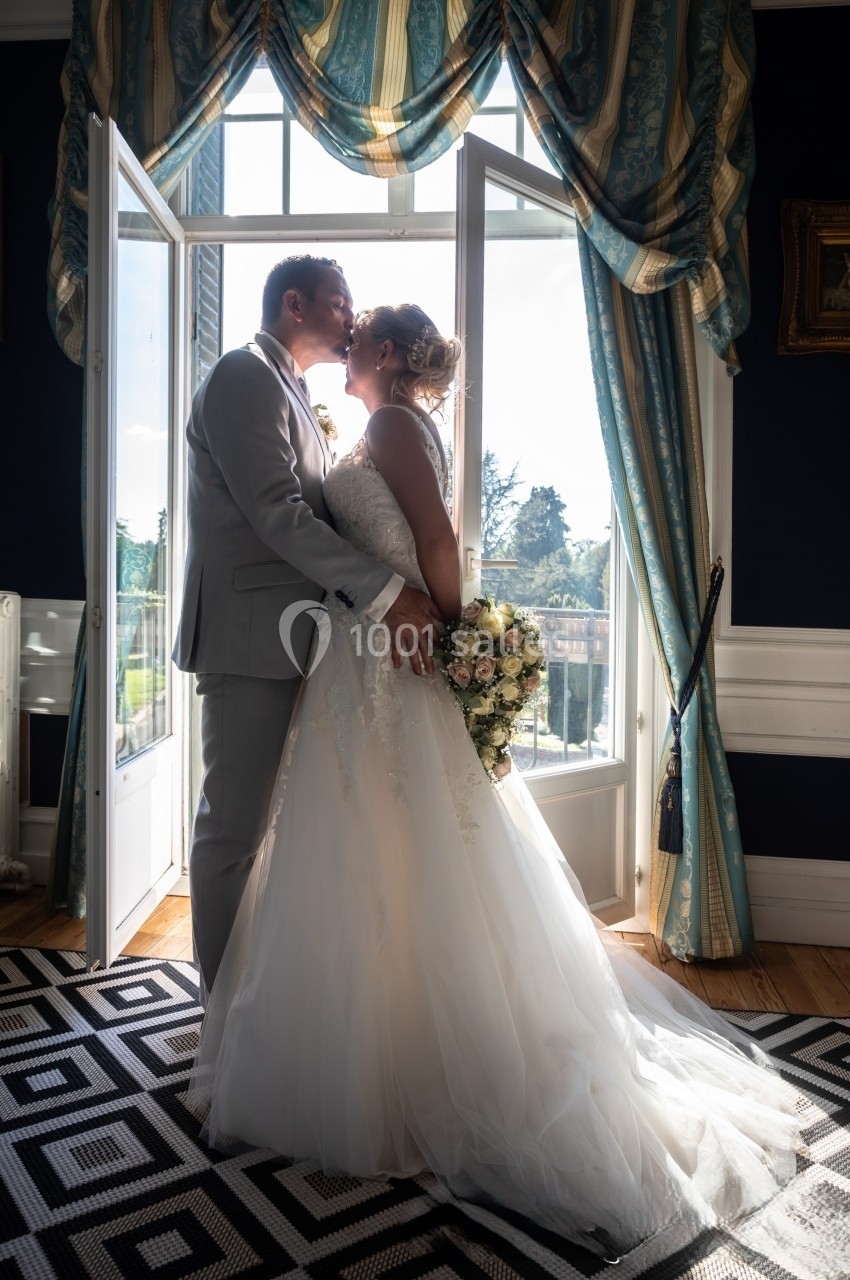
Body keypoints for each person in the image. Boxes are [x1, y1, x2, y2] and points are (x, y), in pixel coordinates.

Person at [188, 304, 802, 1262]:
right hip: (365, 655)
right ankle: (368, 1044)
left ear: (388, 354)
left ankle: (407, 1065)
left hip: (395, 654)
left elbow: (435, 537)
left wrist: (459, 627)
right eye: (339, 327)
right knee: (372, 855)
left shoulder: (391, 423)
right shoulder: (376, 422)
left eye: (360, 336)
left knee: (403, 851)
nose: (346, 343)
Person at [173, 259, 442, 1006]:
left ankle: (268, 1009)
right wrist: (387, 593)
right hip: (250, 640)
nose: (352, 319)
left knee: (278, 833)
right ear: (294, 304)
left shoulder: (293, 391)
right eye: (339, 302)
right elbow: (277, 514)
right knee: (232, 833)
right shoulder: (242, 376)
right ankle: (220, 1012)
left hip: (309, 644)